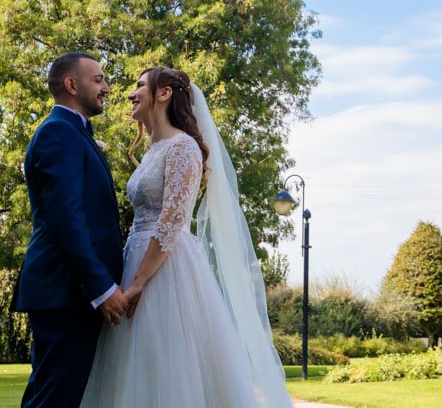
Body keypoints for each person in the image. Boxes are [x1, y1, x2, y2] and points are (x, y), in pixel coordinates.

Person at [80, 67, 292, 407]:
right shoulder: (154, 150)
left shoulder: (183, 148)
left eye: (139, 87)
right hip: (137, 258)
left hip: (165, 270)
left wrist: (137, 283)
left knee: (169, 364)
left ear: (163, 94)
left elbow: (172, 221)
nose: (130, 94)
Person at [12, 52, 128, 408]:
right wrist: (101, 288)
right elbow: (67, 221)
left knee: (58, 394)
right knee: (55, 399)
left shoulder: (73, 133)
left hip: (70, 293)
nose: (106, 87)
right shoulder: (58, 133)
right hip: (66, 292)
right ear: (72, 85)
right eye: (98, 79)